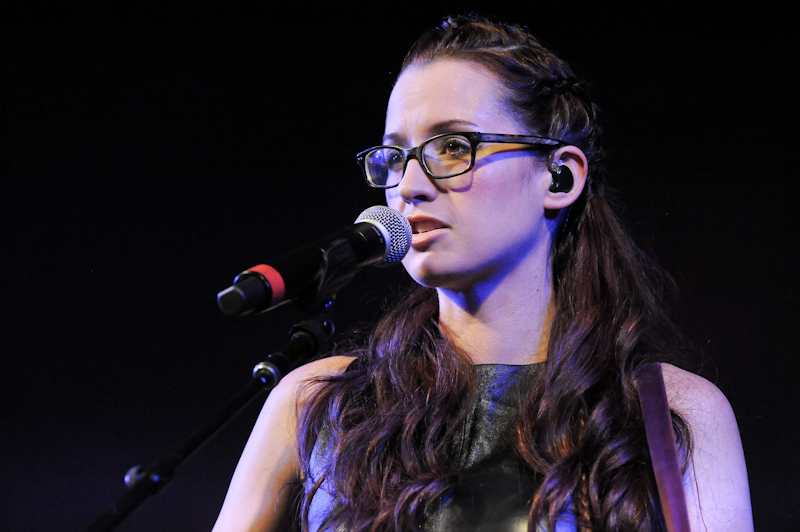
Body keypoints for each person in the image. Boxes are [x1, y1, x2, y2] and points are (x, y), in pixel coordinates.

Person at [212, 15, 753, 532]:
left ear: (560, 177)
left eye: (453, 146)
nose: (409, 185)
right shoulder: (315, 403)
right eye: (395, 157)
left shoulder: (667, 412)